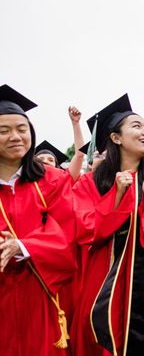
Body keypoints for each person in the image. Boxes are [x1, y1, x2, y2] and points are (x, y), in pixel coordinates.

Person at [72, 94, 144, 356]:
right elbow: (86, 229)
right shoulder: (92, 183)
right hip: (104, 285)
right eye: (137, 126)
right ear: (116, 138)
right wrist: (117, 197)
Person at [0, 84, 76, 356]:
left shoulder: (53, 180)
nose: (15, 137)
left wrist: (23, 246)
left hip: (40, 292)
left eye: (22, 129)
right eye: (3, 131)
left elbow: (67, 231)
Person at [36, 107, 86, 181]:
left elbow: (79, 155)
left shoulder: (62, 181)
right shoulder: (23, 182)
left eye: (50, 160)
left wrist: (75, 123)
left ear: (56, 166)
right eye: (40, 159)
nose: (45, 161)